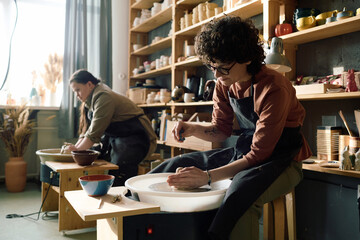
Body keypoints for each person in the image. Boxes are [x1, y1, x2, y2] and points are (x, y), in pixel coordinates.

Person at [150, 16, 312, 240]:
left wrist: (207, 177)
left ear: (245, 58)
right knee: (175, 164)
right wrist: (193, 128)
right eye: (212, 66)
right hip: (246, 152)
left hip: (283, 159)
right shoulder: (223, 84)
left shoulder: (274, 87)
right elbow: (221, 130)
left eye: (223, 68)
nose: (216, 75)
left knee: (239, 196)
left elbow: (260, 153)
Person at [65, 69, 157, 186]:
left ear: (89, 84)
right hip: (119, 135)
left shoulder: (103, 96)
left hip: (138, 136)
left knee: (120, 168)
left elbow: (93, 135)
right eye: (74, 92)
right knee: (95, 156)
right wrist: (75, 149)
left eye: (78, 90)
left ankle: (124, 196)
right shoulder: (90, 99)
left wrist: (76, 152)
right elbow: (86, 132)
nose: (76, 95)